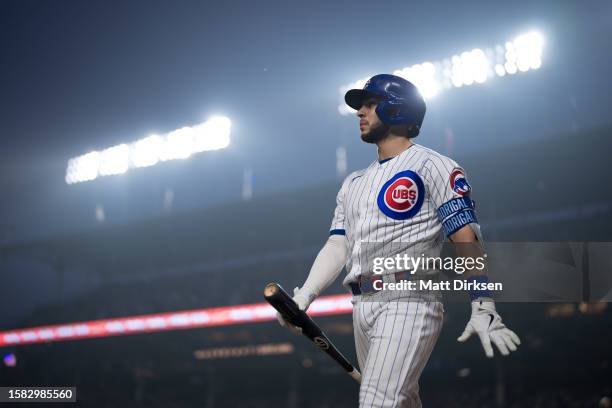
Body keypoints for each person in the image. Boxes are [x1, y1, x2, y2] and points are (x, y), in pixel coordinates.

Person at [277, 74, 520, 408]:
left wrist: (482, 301)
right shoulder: (354, 182)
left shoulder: (433, 165)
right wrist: (303, 296)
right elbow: (338, 246)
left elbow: (465, 237)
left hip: (410, 299)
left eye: (369, 103)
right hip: (361, 304)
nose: (359, 112)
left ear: (396, 109)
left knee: (378, 403)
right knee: (401, 403)